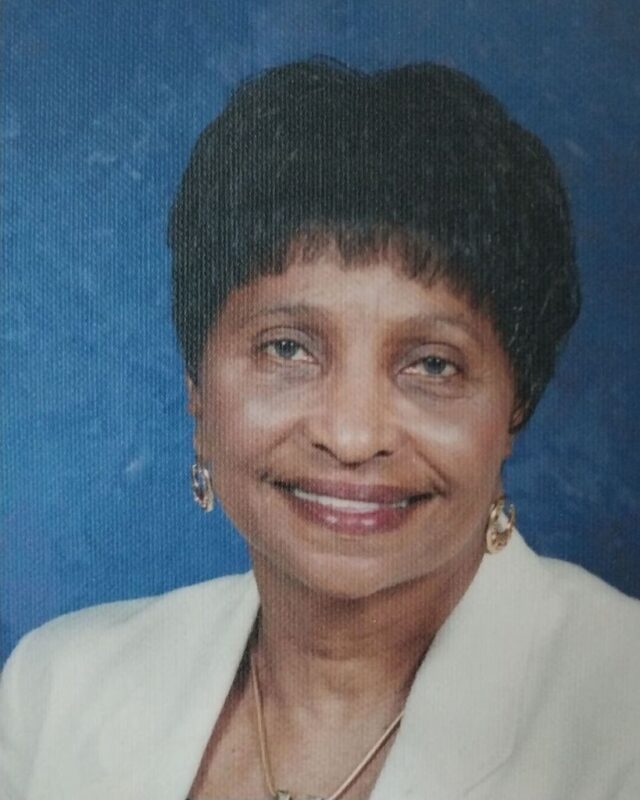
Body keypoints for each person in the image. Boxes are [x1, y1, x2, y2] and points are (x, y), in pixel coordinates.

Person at [1, 58, 639, 800]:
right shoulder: (57, 690)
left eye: (432, 364)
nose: (352, 435)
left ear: (514, 407)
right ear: (196, 388)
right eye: (287, 349)